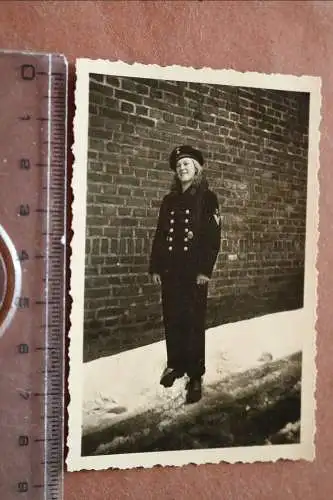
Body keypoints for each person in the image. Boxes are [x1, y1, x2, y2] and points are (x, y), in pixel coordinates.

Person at [149, 145, 221, 404]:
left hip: (193, 273)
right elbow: (160, 235)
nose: (182, 168)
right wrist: (155, 267)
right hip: (170, 270)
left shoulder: (207, 198)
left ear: (197, 169)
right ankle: (175, 364)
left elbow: (213, 238)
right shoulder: (169, 200)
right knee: (172, 317)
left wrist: (204, 270)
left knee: (192, 322)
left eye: (186, 164)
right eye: (179, 166)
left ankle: (195, 374)